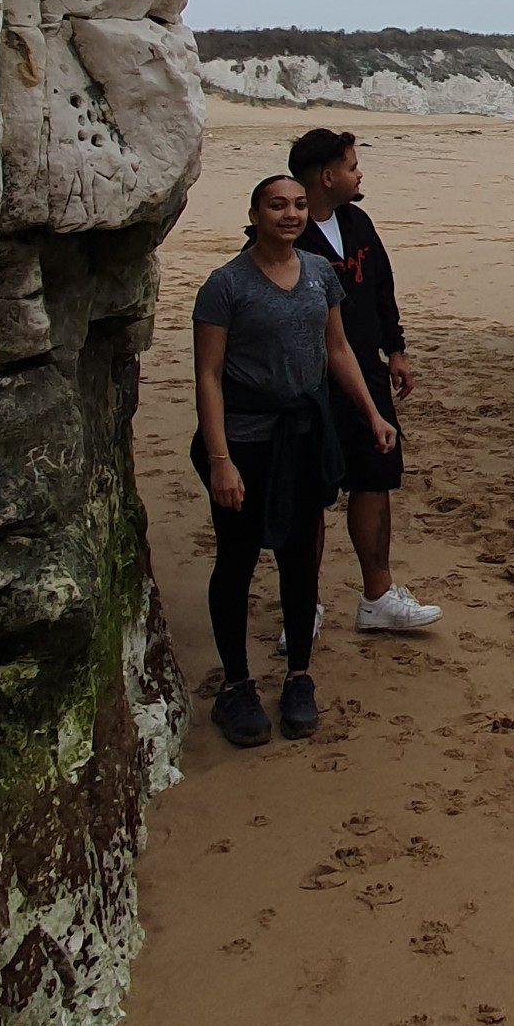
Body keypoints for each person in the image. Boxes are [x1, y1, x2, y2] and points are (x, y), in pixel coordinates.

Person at [191, 172, 399, 748]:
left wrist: (371, 414)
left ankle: (299, 678)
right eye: (277, 205)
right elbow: (207, 376)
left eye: (299, 205)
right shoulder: (224, 285)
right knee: (235, 560)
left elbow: (338, 350)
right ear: (255, 213)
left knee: (298, 558)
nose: (290, 214)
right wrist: (219, 460)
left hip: (306, 437)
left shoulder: (318, 276)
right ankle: (235, 685)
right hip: (246, 439)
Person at [288, 125, 441, 635]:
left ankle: (377, 597)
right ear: (326, 176)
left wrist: (394, 350)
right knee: (310, 492)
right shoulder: (287, 233)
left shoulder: (358, 223)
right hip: (307, 386)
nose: (359, 174)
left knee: (375, 479)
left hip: (368, 374)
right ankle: (301, 606)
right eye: (352, 166)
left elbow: (381, 287)